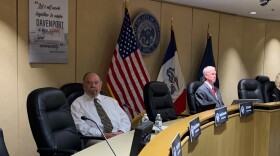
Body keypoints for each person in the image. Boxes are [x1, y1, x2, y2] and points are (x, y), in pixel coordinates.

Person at [71, 72, 131, 145]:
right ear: (83, 85)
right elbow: (80, 126)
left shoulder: (111, 101)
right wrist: (103, 135)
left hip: (119, 135)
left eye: (96, 83)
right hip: (97, 138)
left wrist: (121, 131)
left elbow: (125, 119)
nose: (93, 85)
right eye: (89, 83)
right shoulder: (77, 104)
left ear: (100, 84)